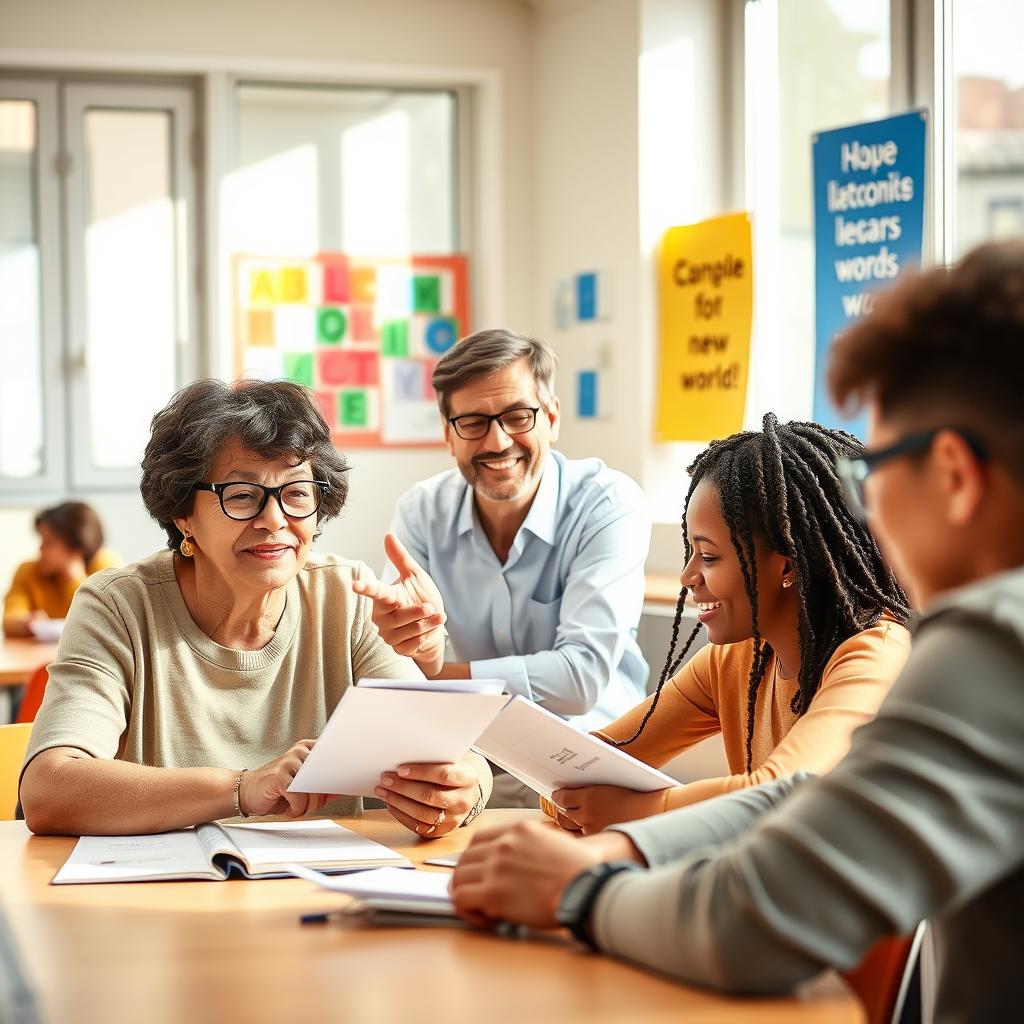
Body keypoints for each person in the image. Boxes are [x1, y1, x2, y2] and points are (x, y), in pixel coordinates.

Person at [450, 240, 1024, 1022]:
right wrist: (620, 842)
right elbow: (801, 799)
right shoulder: (761, 658)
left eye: (875, 470)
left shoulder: (992, 646)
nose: (870, 512)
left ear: (953, 474)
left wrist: (580, 889)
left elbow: (753, 918)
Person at [19, 378, 491, 837]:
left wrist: (460, 789)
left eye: (297, 493)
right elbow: (48, 789)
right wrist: (244, 788)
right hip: (162, 903)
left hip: (317, 899)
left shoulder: (347, 596)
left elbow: (452, 755)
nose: (274, 520)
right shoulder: (118, 606)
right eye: (242, 496)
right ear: (182, 512)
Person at [543, 413, 912, 834]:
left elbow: (784, 793)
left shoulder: (874, 657)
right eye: (691, 552)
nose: (687, 577)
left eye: (709, 556)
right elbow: (584, 765)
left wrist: (641, 810)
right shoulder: (734, 661)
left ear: (787, 565)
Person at [354, 329, 651, 807]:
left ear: (551, 418)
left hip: (592, 760)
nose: (497, 441)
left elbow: (579, 680)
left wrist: (437, 674)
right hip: (474, 758)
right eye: (472, 422)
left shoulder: (608, 503)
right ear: (448, 435)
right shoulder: (421, 511)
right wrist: (406, 640)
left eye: (517, 416)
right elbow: (395, 671)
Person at [3, 502, 119, 638]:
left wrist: (73, 576)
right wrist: (27, 623)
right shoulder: (28, 571)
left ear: (75, 547)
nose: (40, 549)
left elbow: (107, 622)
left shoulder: (106, 566)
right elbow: (9, 620)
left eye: (49, 542)